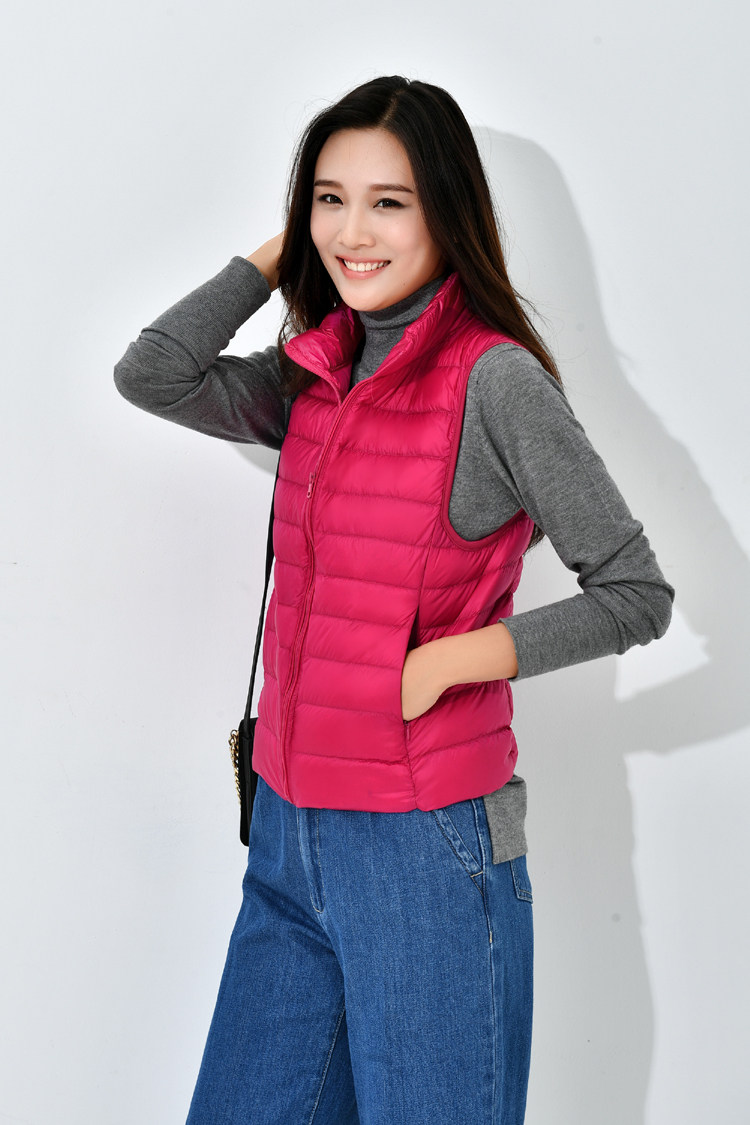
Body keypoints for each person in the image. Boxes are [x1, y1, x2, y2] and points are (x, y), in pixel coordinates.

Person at [113, 75, 674, 1125]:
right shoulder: (313, 372)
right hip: (289, 835)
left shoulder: (494, 382)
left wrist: (447, 661)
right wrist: (276, 256)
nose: (353, 232)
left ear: (447, 212)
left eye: (389, 202)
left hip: (426, 850)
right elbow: (152, 374)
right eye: (329, 200)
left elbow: (635, 593)